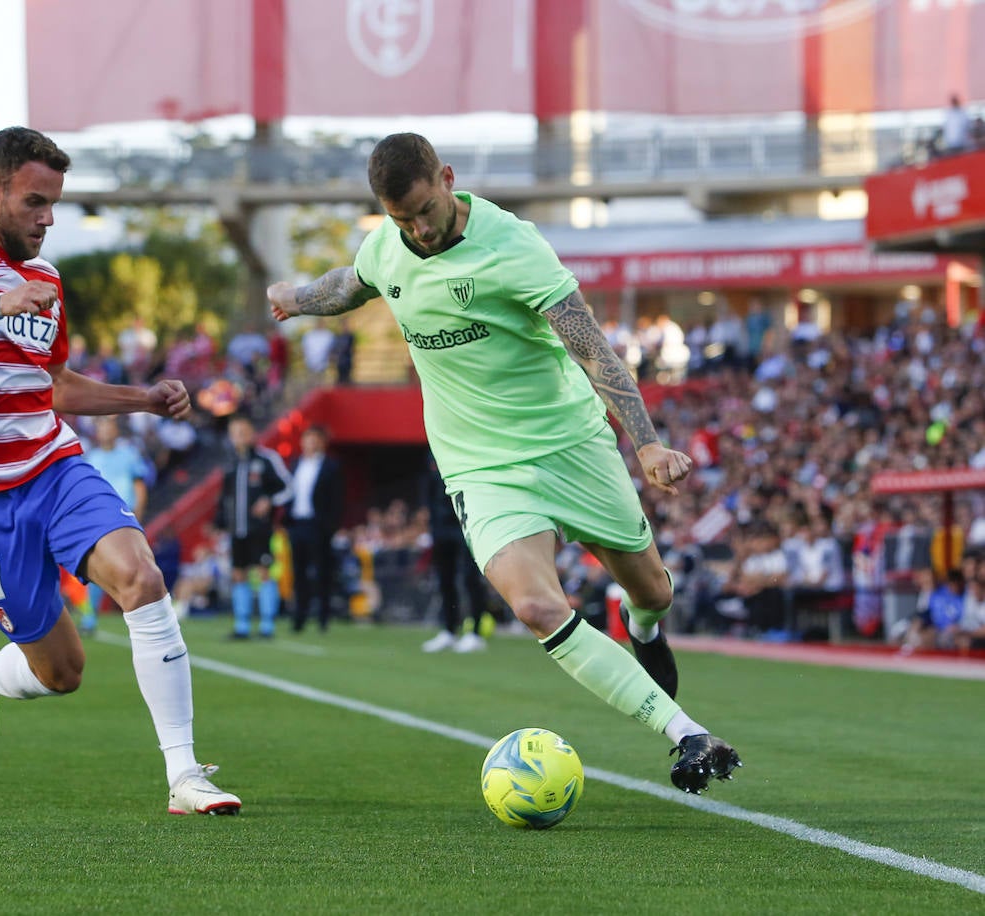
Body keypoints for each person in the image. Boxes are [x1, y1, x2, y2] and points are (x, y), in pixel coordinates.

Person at [266, 132, 741, 794]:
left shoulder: (513, 245)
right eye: (402, 220)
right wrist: (297, 296)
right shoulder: (388, 245)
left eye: (424, 212)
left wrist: (648, 443)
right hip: (481, 469)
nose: (418, 230)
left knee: (653, 590)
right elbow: (353, 283)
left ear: (447, 179)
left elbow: (592, 348)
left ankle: (643, 625)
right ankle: (687, 732)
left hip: (569, 443)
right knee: (536, 605)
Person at [0, 126, 240, 815]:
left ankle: (184, 775)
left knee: (141, 574)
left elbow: (52, 385)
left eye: (54, 204)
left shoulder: (46, 278)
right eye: (35, 202)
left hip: (51, 465)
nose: (48, 219)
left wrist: (142, 399)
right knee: (62, 671)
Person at [214, 413, 292, 639]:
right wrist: (219, 522)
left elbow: (287, 487)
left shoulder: (266, 459)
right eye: (235, 433)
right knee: (239, 573)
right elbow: (224, 497)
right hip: (236, 528)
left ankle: (268, 623)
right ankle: (242, 624)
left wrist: (269, 500)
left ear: (251, 434)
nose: (239, 437)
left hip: (260, 528)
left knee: (263, 571)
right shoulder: (230, 463)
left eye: (243, 432)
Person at [79, 414, 154, 634]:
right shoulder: (91, 457)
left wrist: (138, 512)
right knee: (96, 567)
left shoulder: (129, 455)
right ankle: (90, 617)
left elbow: (139, 485)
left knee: (134, 565)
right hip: (98, 518)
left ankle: (140, 616)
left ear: (116, 431)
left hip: (124, 515)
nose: (106, 432)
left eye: (109, 427)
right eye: (101, 428)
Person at [422, 453, 493, 653]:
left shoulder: (466, 445)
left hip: (466, 522)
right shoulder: (433, 448)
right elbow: (430, 487)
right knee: (444, 578)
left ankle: (475, 633)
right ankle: (449, 630)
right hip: (441, 527)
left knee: (470, 578)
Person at [286, 424, 344, 633]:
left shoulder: (331, 466)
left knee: (322, 573)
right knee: (298, 573)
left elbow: (337, 499)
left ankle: (323, 618)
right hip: (297, 524)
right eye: (307, 439)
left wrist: (331, 526)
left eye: (314, 439)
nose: (310, 443)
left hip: (318, 526)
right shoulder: (294, 464)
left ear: (322, 442)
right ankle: (299, 618)